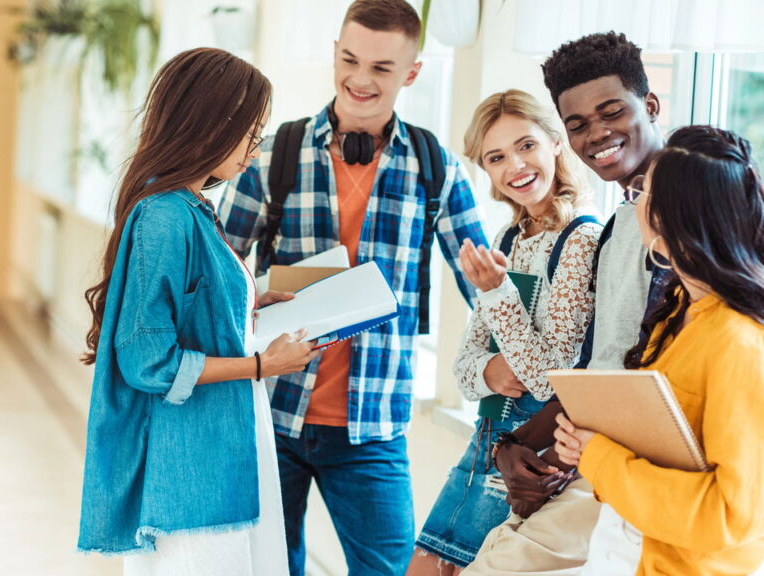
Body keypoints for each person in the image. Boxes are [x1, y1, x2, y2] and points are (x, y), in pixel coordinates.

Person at [218, 1, 489, 573]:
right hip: (272, 410)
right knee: (263, 566)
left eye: (383, 69)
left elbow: (482, 290)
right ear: (335, 54)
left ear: (412, 73)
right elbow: (217, 269)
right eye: (350, 60)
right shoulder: (274, 154)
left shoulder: (435, 166)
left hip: (373, 427)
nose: (361, 80)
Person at [75, 47, 320, 576]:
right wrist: (263, 365)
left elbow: (190, 315)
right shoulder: (165, 216)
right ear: (210, 123)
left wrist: (247, 308)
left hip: (219, 450)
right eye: (251, 135)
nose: (254, 152)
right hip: (191, 469)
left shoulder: (191, 209)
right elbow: (147, 360)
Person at [554, 124, 764, 575]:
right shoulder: (681, 307)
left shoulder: (739, 341)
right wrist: (589, 443)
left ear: (673, 218)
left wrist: (599, 457)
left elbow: (735, 514)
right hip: (626, 548)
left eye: (646, 192)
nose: (636, 199)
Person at [460, 32, 668, 576]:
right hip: (584, 453)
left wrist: (494, 294)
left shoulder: (631, 222)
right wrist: (516, 444)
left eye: (611, 112)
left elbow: (561, 374)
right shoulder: (624, 222)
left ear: (650, 106)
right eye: (579, 124)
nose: (597, 134)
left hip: (640, 472)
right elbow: (605, 368)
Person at [407, 90, 600, 576]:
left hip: (529, 452)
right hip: (486, 436)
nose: (515, 165)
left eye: (526, 145)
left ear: (556, 143)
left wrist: (495, 294)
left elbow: (548, 379)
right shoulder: (507, 240)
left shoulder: (582, 240)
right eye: (497, 157)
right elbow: (465, 368)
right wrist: (490, 371)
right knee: (427, 567)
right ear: (486, 171)